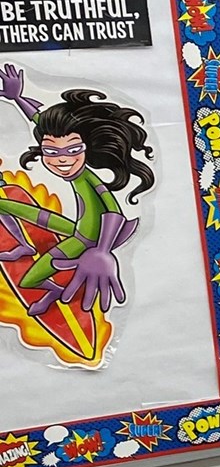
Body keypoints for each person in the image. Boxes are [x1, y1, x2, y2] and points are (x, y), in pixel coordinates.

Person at [0, 64, 150, 315]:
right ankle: (23, 245)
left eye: (72, 151)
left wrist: (101, 251)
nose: (61, 160)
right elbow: (39, 118)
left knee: (29, 280)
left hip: (84, 240)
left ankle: (57, 292)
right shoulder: (67, 159)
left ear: (87, 147)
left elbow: (113, 212)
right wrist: (18, 98)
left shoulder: (90, 179)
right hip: (75, 226)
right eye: (51, 151)